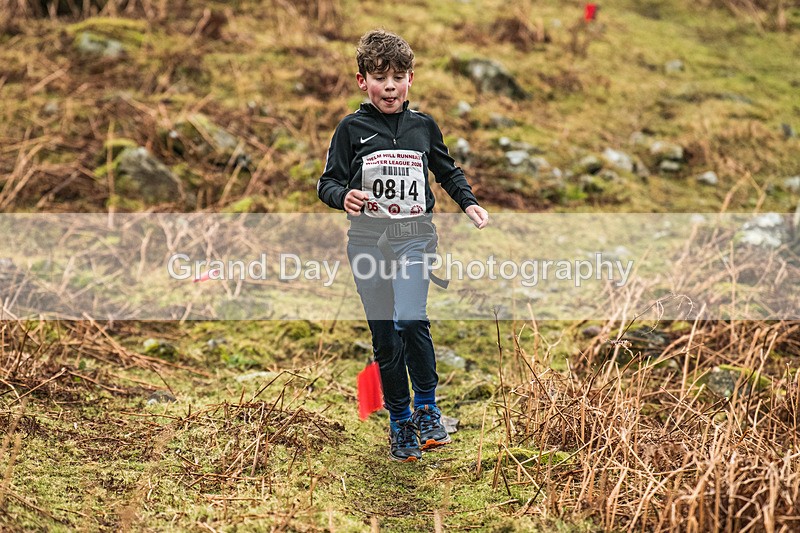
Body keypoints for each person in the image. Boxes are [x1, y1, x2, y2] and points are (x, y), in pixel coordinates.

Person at [317, 29, 489, 462]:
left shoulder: (422, 126)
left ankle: (427, 407)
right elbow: (328, 183)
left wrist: (468, 203)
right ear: (362, 81)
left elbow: (447, 171)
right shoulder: (350, 129)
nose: (389, 86)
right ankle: (399, 422)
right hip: (368, 245)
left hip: (415, 240)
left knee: (410, 319)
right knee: (385, 339)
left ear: (411, 79)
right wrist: (344, 197)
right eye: (379, 77)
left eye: (397, 77)